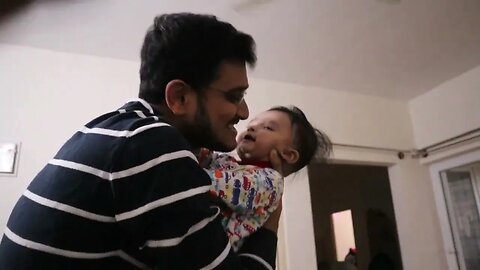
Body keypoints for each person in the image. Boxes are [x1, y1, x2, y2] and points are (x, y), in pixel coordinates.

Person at [0, 13, 283, 269]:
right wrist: (270, 221)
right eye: (234, 97)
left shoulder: (120, 132)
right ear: (179, 98)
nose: (245, 113)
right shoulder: (151, 145)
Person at [201, 106, 332, 249]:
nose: (251, 128)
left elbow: (227, 186)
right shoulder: (229, 162)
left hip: (211, 248)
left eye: (268, 128)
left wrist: (186, 172)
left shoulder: (271, 182)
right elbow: (203, 159)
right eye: (251, 125)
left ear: (288, 154)